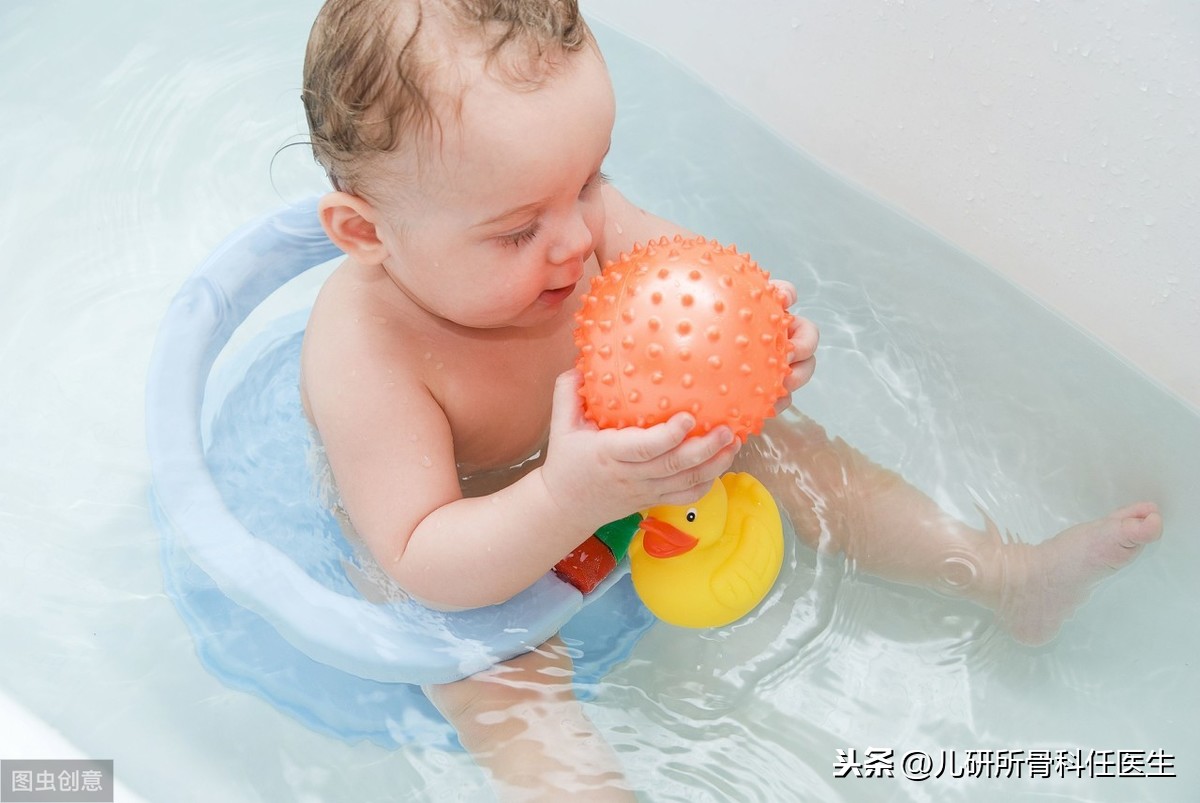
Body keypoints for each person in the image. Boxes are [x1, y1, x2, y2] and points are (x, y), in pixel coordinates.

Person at [298, 1, 1162, 798]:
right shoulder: (367, 352)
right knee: (492, 679)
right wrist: (568, 496)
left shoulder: (567, 212)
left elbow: (690, 277)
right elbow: (423, 557)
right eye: (520, 230)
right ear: (366, 233)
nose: (576, 239)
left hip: (619, 463)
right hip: (480, 541)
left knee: (791, 447)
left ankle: (1005, 576)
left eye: (590, 182)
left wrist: (758, 345)